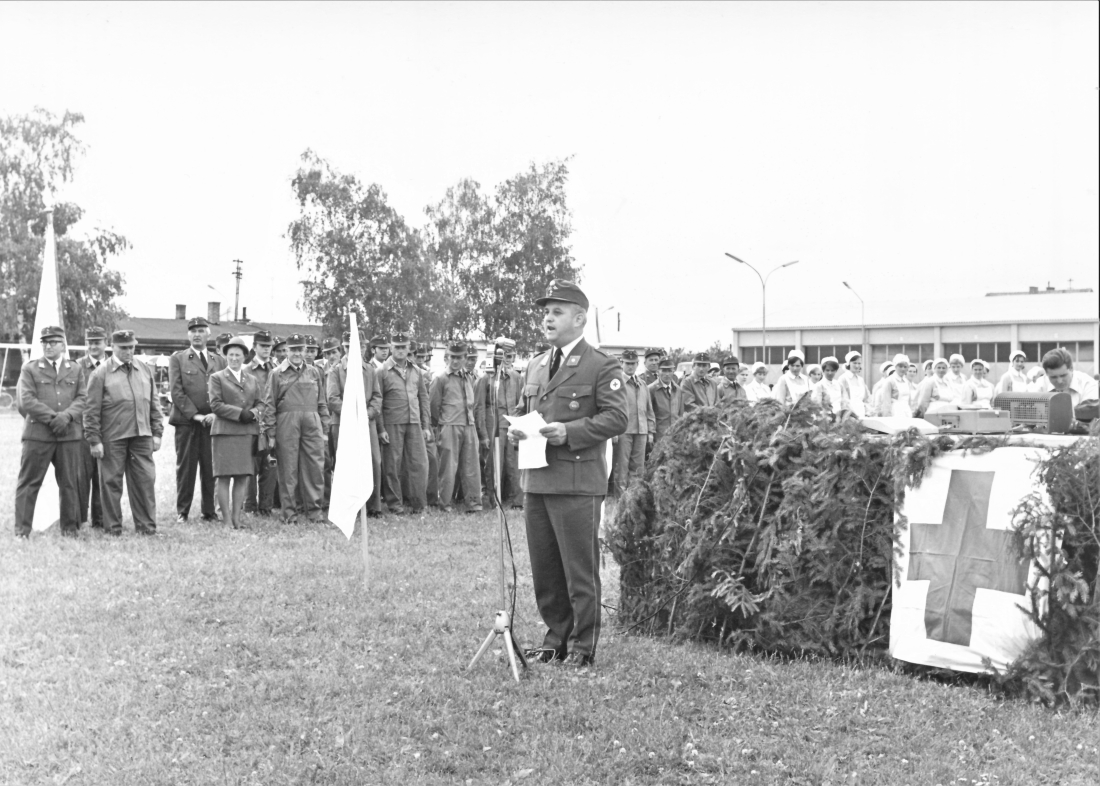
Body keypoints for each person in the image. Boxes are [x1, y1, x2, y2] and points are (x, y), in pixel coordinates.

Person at [508, 280, 627, 668]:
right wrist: (517, 430)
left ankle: (582, 646)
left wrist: (570, 432)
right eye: (545, 311)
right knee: (545, 568)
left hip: (577, 482)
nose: (547, 318)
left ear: (579, 318)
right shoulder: (537, 364)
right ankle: (555, 637)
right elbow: (529, 409)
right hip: (538, 478)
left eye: (556, 311)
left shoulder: (601, 365)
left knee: (579, 569)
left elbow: (617, 417)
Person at [83, 329, 164, 536]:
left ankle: (146, 527)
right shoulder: (100, 373)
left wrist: (157, 432)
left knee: (145, 482)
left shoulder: (144, 369)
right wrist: (94, 440)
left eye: (131, 347)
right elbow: (91, 410)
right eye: (123, 347)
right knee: (111, 483)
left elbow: (154, 403)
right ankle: (113, 528)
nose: (128, 351)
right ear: (113, 347)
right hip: (113, 437)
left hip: (142, 436)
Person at [14, 326, 87, 538]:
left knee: (70, 483)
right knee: (29, 483)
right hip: (38, 435)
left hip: (68, 435)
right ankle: (22, 532)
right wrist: (55, 418)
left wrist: (67, 417)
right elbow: (27, 400)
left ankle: (70, 529)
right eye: (44, 342)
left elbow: (82, 398)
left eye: (53, 342)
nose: (47, 346)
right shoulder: (30, 369)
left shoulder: (75, 369)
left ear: (63, 345)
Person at [261, 334, 330, 523]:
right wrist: (272, 433)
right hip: (287, 423)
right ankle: (289, 513)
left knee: (315, 467)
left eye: (301, 349)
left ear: (306, 351)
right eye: (293, 349)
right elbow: (269, 404)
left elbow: (322, 401)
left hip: (312, 422)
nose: (298, 353)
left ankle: (315, 512)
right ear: (287, 352)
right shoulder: (277, 374)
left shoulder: (314, 372)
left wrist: (324, 428)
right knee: (288, 469)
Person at [168, 316, 225, 523]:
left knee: (211, 468)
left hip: (212, 422)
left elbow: (224, 390)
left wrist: (215, 413)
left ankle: (209, 511)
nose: (197, 334)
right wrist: (196, 415)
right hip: (187, 423)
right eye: (193, 331)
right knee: (186, 468)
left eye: (201, 330)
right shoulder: (178, 359)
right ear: (188, 335)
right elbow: (177, 392)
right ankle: (182, 511)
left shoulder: (219, 360)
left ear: (209, 334)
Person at [327, 330, 385, 517]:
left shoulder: (370, 370)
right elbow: (332, 398)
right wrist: (352, 415)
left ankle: (373, 506)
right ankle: (348, 506)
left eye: (360, 346)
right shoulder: (335, 371)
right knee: (346, 465)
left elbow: (377, 397)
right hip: (343, 424)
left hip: (367, 424)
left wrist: (366, 414)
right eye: (351, 346)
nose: (357, 349)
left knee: (373, 463)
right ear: (344, 348)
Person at [208, 336, 263, 529]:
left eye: (238, 355)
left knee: (242, 477)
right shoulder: (217, 378)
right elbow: (215, 405)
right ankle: (226, 521)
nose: (234, 358)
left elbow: (260, 403)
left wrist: (254, 413)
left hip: (246, 434)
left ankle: (237, 519)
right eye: (230, 354)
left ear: (244, 357)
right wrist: (241, 414)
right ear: (226, 356)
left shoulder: (252, 379)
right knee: (223, 477)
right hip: (225, 433)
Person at [378, 332, 432, 514]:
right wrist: (381, 428)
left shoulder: (416, 371)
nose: (400, 350)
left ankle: (419, 503)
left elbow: (424, 399)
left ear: (409, 348)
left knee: (419, 464)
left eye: (404, 347)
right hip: (392, 422)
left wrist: (425, 426)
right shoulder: (382, 371)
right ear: (391, 348)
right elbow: (378, 401)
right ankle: (395, 504)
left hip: (414, 422)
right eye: (397, 347)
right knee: (392, 465)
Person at [429, 341, 482, 513]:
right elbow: (433, 406)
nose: (456, 361)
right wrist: (441, 425)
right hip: (449, 425)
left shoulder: (469, 376)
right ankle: (445, 503)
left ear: (465, 358)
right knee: (448, 468)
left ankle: (473, 503)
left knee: (471, 466)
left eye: (459, 357)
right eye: (453, 357)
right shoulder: (440, 378)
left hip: (469, 424)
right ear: (447, 357)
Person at [476, 337, 524, 510]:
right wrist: (482, 434)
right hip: (493, 427)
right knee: (492, 465)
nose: (507, 361)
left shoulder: (517, 378)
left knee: (514, 464)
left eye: (510, 357)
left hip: (512, 426)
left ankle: (517, 500)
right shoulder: (486, 379)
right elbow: (479, 407)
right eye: (504, 357)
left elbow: (521, 404)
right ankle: (492, 499)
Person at [611, 349, 654, 498]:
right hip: (624, 430)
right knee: (622, 467)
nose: (630, 366)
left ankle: (635, 500)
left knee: (638, 468)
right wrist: (614, 431)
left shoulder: (642, 385)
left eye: (633, 363)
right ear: (621, 363)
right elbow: (612, 408)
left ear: (638, 364)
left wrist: (650, 432)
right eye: (627, 363)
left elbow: (649, 410)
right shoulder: (616, 384)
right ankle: (621, 501)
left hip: (641, 430)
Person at [77, 325, 108, 529]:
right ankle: (79, 518)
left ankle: (100, 518)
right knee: (82, 476)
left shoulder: (112, 365)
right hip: (83, 430)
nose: (93, 346)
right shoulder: (78, 366)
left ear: (106, 343)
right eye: (89, 342)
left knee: (102, 476)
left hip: (107, 428)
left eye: (97, 342)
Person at [245, 330, 278, 516]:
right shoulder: (246, 370)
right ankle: (249, 505)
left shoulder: (276, 369)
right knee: (251, 466)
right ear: (254, 347)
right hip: (253, 423)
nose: (266, 349)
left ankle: (266, 506)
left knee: (270, 466)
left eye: (268, 346)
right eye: (262, 346)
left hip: (272, 423)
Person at [648, 357, 684, 442]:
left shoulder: (678, 390)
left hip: (675, 435)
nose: (667, 374)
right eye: (663, 370)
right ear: (658, 371)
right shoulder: (651, 389)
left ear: (673, 371)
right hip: (658, 435)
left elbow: (681, 414)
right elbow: (648, 413)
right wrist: (650, 433)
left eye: (669, 370)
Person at [838, 351, 869, 418]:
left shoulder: (861, 380)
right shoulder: (843, 379)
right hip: (849, 415)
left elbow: (866, 398)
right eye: (854, 363)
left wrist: (867, 412)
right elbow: (842, 401)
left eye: (859, 363)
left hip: (862, 413)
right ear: (849, 363)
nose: (857, 365)